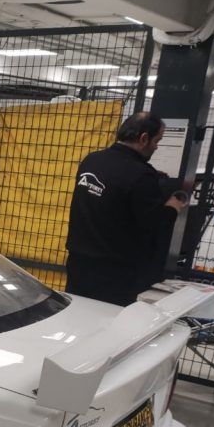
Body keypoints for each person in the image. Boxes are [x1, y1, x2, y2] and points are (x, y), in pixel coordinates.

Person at [65, 111, 188, 306]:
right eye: (157, 141)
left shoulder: (92, 160)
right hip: (115, 272)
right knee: (109, 318)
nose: (156, 147)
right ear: (144, 138)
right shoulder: (141, 175)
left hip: (79, 262)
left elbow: (113, 188)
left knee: (78, 311)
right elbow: (154, 223)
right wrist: (173, 206)